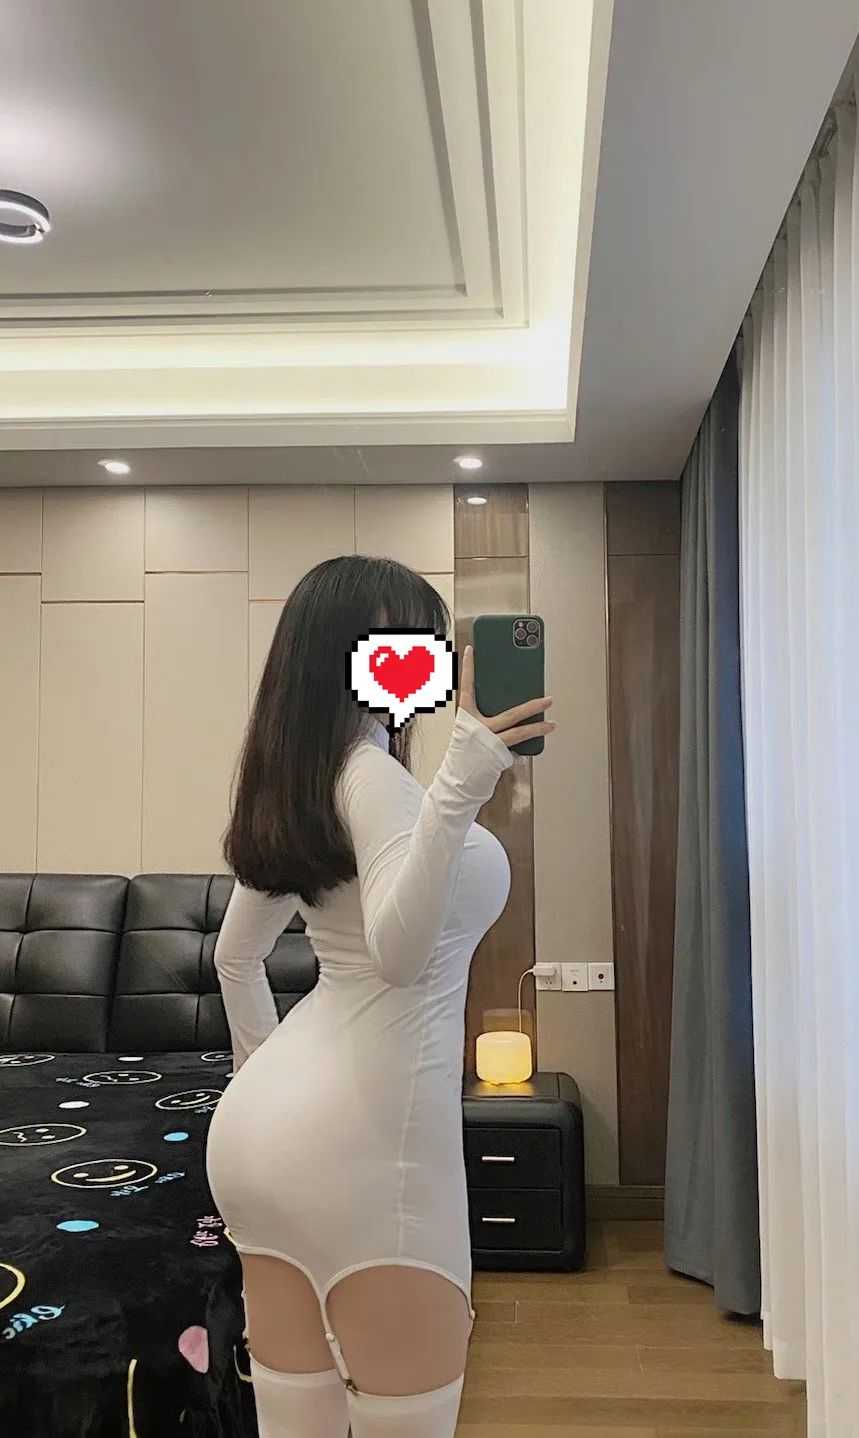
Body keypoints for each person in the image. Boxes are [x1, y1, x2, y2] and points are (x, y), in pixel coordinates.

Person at [205, 555, 555, 1437]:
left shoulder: (304, 781)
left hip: (257, 1143)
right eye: (420, 644)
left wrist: (263, 1085)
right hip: (370, 1148)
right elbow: (399, 954)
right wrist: (464, 778)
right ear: (359, 655)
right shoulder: (373, 777)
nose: (436, 664)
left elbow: (235, 958)